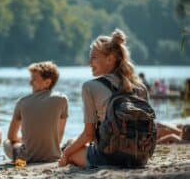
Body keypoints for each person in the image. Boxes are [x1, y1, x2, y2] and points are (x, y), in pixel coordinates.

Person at [59, 29, 149, 168]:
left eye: (94, 57)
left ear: (110, 58)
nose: (89, 63)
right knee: (74, 143)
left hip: (110, 159)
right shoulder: (141, 87)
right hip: (140, 158)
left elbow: (88, 135)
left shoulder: (90, 87)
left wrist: (65, 154)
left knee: (70, 150)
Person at [4, 61, 68, 163]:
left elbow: (11, 136)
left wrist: (24, 139)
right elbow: (59, 133)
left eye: (34, 79)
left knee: (7, 143)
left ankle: (19, 163)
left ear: (47, 82)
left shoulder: (22, 102)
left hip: (26, 160)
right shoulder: (62, 99)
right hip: (52, 157)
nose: (30, 82)